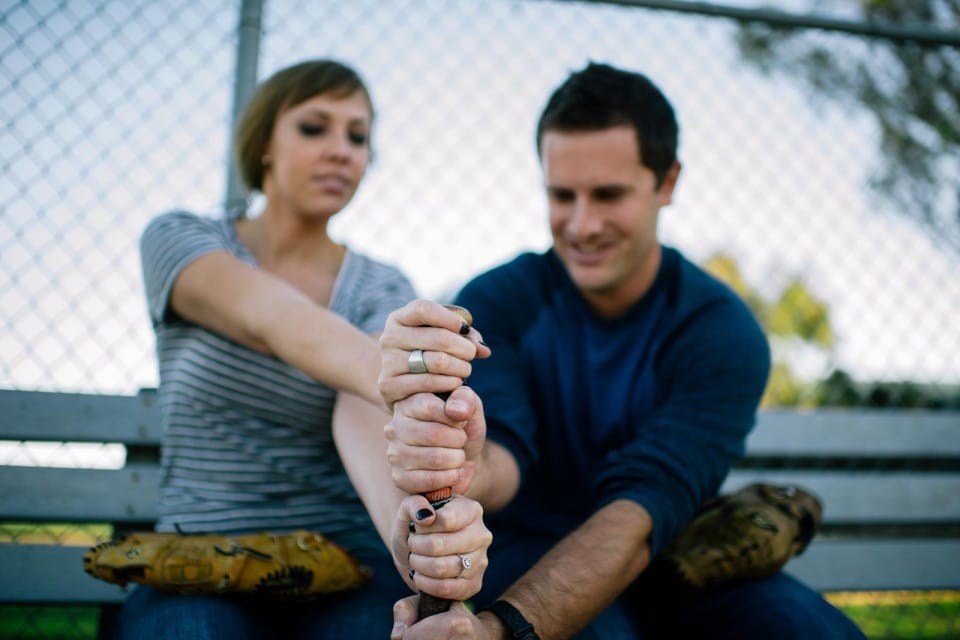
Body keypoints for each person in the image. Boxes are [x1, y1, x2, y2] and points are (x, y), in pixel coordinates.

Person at [378, 62, 867, 639]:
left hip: (668, 553)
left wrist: (503, 632)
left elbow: (643, 510)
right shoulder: (497, 300)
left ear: (667, 182)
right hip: (518, 551)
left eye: (609, 195)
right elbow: (504, 450)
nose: (582, 224)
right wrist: (467, 465)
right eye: (562, 195)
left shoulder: (721, 332)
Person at [115, 59, 491, 639]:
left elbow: (361, 407)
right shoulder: (183, 239)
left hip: (343, 569)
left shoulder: (379, 286)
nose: (341, 150)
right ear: (264, 141)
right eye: (315, 128)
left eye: (358, 136)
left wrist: (410, 534)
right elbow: (272, 319)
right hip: (195, 567)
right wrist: (398, 372)